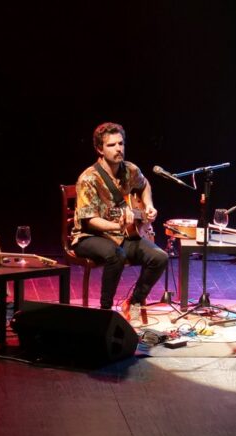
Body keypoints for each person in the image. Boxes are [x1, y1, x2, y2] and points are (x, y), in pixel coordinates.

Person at [71, 122, 169, 326]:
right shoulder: (88, 178)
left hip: (124, 236)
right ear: (99, 149)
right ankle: (105, 313)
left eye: (121, 143)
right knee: (116, 255)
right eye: (111, 145)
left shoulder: (130, 170)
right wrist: (118, 226)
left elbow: (145, 185)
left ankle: (132, 302)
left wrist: (149, 206)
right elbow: (89, 220)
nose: (118, 149)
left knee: (160, 257)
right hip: (89, 236)